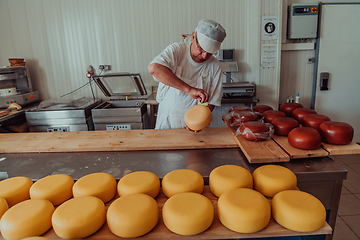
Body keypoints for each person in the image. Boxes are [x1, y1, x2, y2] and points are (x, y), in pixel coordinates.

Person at [148, 19, 227, 130]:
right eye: (201, 49)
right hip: (166, 125)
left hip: (194, 130)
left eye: (210, 53)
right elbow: (154, 69)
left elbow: (212, 102)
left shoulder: (216, 67)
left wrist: (199, 122)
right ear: (193, 37)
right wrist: (189, 89)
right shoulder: (177, 51)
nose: (204, 56)